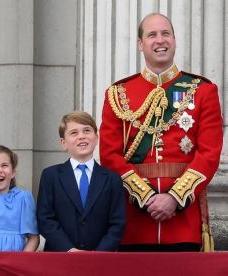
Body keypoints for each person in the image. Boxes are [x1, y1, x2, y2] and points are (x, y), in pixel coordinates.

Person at [99, 13, 223, 252]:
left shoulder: (203, 91)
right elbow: (110, 155)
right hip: (134, 223)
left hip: (183, 222)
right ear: (140, 44)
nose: (160, 40)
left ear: (174, 40)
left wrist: (174, 198)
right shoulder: (118, 93)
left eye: (166, 33)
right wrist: (146, 198)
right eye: (152, 35)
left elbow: (209, 154)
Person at [37, 111, 125, 252]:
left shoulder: (112, 179)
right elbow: (45, 219)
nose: (81, 136)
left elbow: (117, 223)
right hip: (59, 257)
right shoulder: (51, 176)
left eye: (87, 131)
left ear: (96, 138)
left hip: (99, 260)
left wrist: (99, 254)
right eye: (74, 133)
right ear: (64, 143)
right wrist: (69, 249)